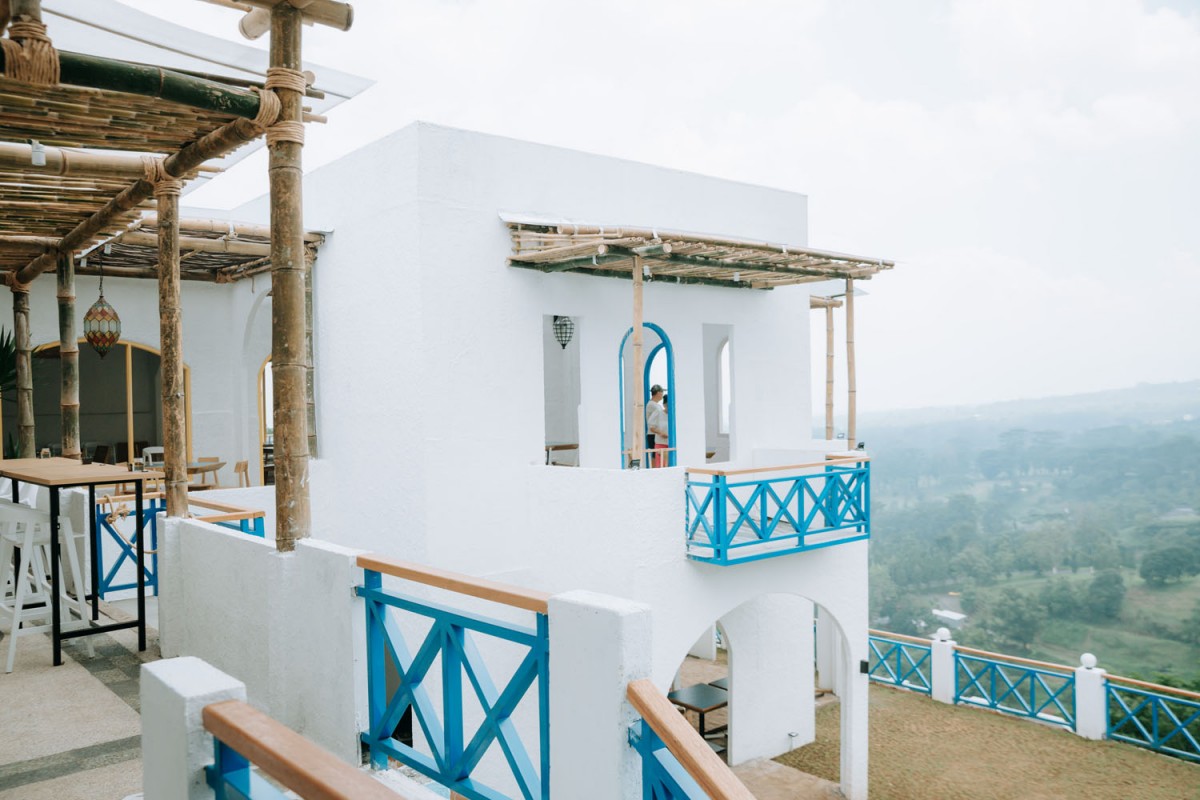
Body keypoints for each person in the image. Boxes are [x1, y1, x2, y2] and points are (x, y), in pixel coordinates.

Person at [645, 384, 669, 468]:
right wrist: (660, 432)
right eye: (662, 393)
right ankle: (654, 469)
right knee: (655, 455)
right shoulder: (652, 405)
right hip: (653, 433)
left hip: (656, 433)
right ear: (658, 393)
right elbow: (652, 422)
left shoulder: (656, 405)